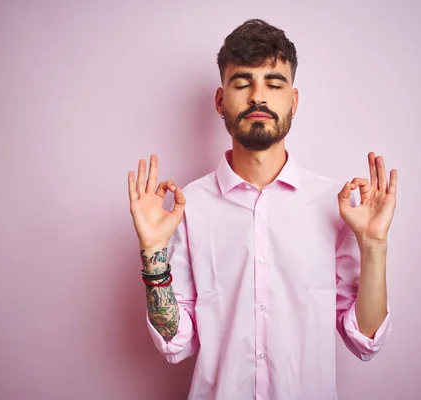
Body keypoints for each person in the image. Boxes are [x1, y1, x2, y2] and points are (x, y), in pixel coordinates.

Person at [127, 18, 397, 400]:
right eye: (242, 83)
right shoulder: (188, 207)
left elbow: (365, 339)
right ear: (221, 100)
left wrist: (374, 245)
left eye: (274, 83)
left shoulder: (335, 206)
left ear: (294, 100)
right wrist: (154, 253)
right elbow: (176, 344)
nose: (258, 97)